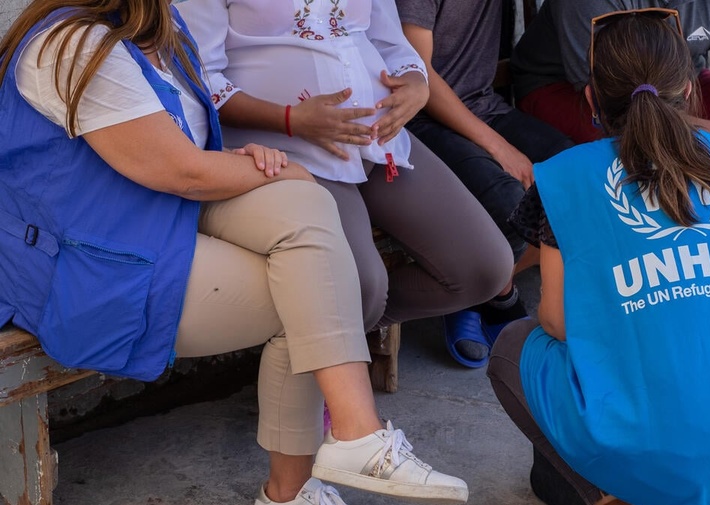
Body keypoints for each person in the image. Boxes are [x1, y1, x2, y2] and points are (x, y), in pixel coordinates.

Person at [0, 2, 469, 505]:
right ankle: (292, 491)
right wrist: (287, 167)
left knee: (305, 212)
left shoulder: (163, 26)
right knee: (311, 291)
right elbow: (181, 171)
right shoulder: (75, 46)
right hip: (85, 258)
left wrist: (250, 161)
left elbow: (184, 151)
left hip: (151, 212)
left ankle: (355, 434)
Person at [487, 11, 710, 505]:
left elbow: (558, 322)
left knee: (514, 346)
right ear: (691, 92)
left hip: (649, 450)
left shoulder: (567, 178)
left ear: (590, 101)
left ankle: (611, 493)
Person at [173, 0, 513, 342]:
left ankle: (329, 335)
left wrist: (415, 84)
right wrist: (290, 120)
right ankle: (329, 339)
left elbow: (391, 43)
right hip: (285, 152)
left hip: (380, 139)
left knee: (485, 269)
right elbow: (197, 75)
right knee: (360, 288)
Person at [394, 0, 574, 368]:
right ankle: (490, 294)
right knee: (510, 202)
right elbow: (417, 72)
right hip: (419, 120)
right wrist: (498, 146)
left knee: (573, 178)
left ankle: (484, 292)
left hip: (484, 106)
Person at [512, 0, 710, 212]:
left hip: (672, 81)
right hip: (575, 88)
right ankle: (649, 262)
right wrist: (705, 133)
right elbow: (611, 99)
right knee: (629, 144)